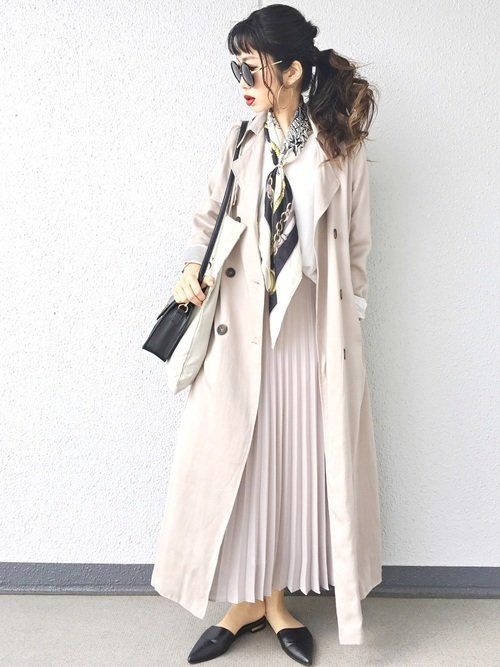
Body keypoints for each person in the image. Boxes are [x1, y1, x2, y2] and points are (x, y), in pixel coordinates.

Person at [151, 4, 381, 665]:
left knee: (293, 466)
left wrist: (349, 322)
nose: (242, 82)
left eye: (250, 69)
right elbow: (209, 217)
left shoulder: (340, 149)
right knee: (242, 467)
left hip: (310, 332)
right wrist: (190, 268)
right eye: (237, 69)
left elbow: (357, 247)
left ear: (292, 69)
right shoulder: (240, 140)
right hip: (239, 330)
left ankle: (275, 600)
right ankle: (243, 601)